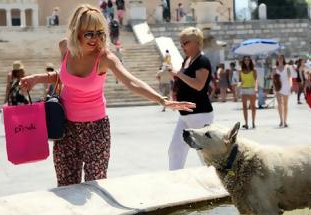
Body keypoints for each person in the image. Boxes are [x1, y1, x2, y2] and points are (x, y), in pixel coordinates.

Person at [20, 4, 195, 187]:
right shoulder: (65, 48)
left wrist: (162, 100)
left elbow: (131, 81)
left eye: (100, 33)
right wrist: (37, 78)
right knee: (66, 185)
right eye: (89, 33)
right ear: (76, 31)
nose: (95, 39)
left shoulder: (105, 58)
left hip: (96, 130)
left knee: (95, 185)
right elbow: (65, 76)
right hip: (66, 128)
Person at [166, 27, 213, 170]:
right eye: (181, 43)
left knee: (204, 153)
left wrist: (179, 74)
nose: (182, 46)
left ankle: (217, 181)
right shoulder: (187, 60)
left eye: (185, 42)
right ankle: (175, 180)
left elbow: (199, 85)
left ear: (196, 42)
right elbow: (182, 79)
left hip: (200, 114)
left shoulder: (202, 61)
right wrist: (175, 90)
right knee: (175, 149)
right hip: (185, 114)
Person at [273, 54, 291, 128]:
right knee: (279, 104)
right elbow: (273, 79)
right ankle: (281, 120)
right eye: (279, 58)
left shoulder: (287, 68)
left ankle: (285, 121)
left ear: (283, 59)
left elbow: (289, 77)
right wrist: (274, 88)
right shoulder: (275, 68)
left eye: (281, 58)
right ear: (277, 59)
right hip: (278, 88)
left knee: (285, 104)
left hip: (286, 87)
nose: (280, 59)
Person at [239, 56, 257, 129]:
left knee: (253, 106)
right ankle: (246, 123)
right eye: (245, 60)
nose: (246, 61)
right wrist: (239, 84)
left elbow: (256, 80)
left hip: (251, 89)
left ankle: (253, 122)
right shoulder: (240, 70)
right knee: (244, 107)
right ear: (243, 61)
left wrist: (255, 89)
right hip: (244, 89)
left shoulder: (254, 70)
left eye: (248, 60)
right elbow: (241, 81)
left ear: (250, 61)